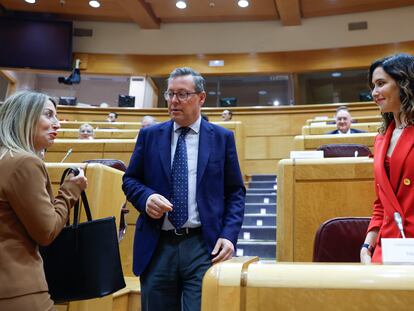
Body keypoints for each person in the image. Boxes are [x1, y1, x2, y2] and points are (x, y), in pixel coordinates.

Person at [122, 67, 245, 311]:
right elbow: (130, 180)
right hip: (158, 244)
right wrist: (146, 198)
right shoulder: (149, 135)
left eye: (182, 94)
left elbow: (235, 192)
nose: (174, 101)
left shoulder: (222, 138)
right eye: (170, 94)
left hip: (202, 244)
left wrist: (229, 235)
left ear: (201, 98)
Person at [0, 91, 87, 310]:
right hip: (19, 290)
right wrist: (70, 191)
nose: (57, 124)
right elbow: (46, 232)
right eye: (48, 115)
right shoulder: (24, 163)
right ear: (24, 117)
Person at [361, 53, 414, 264]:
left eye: (381, 84)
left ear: (404, 84)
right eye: (373, 86)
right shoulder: (382, 139)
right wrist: (367, 246)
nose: (374, 93)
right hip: (389, 249)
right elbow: (381, 203)